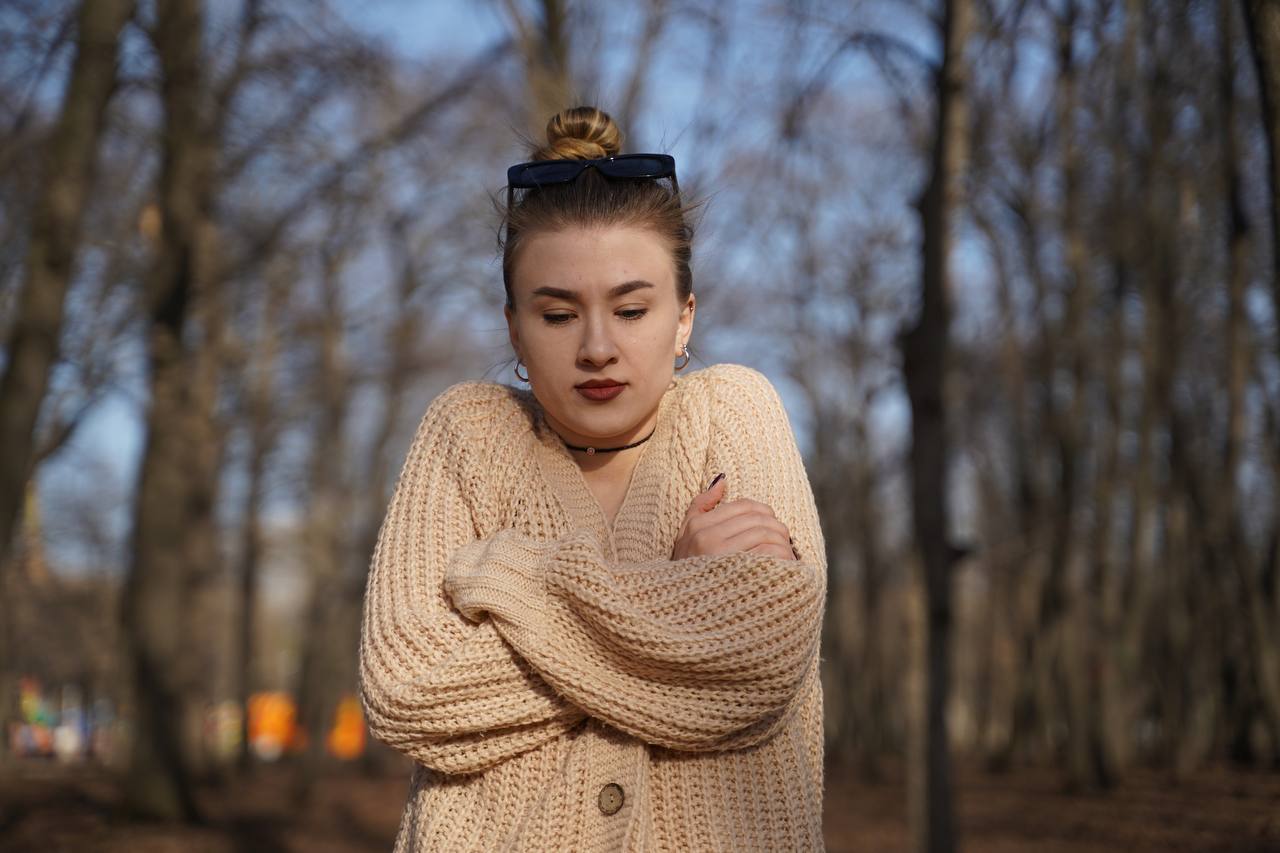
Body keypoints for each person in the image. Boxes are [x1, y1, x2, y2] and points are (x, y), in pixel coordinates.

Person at [358, 106, 827, 852]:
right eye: (557, 315)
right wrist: (678, 590)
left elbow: (764, 650)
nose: (598, 347)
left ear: (683, 319)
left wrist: (504, 575)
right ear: (515, 329)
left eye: (633, 308)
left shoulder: (733, 407)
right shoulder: (468, 431)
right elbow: (407, 690)